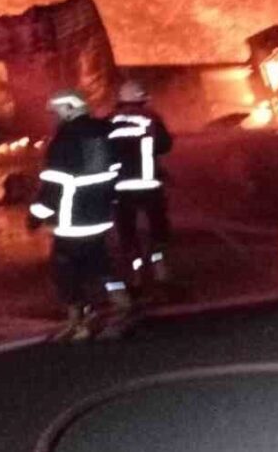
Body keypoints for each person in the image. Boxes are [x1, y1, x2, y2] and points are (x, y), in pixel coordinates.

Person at [27, 89, 130, 341]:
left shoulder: (64, 140)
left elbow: (53, 186)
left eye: (58, 110)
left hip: (71, 220)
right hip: (100, 216)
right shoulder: (104, 133)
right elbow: (115, 172)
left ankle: (78, 320)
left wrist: (35, 215)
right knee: (102, 263)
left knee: (65, 271)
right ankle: (121, 303)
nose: (55, 116)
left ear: (70, 108)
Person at [108, 80, 175, 293]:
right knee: (157, 228)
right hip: (149, 184)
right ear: (141, 99)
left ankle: (135, 276)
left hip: (121, 187)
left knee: (127, 231)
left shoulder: (110, 120)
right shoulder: (151, 117)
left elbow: (104, 151)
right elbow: (165, 145)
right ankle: (160, 272)